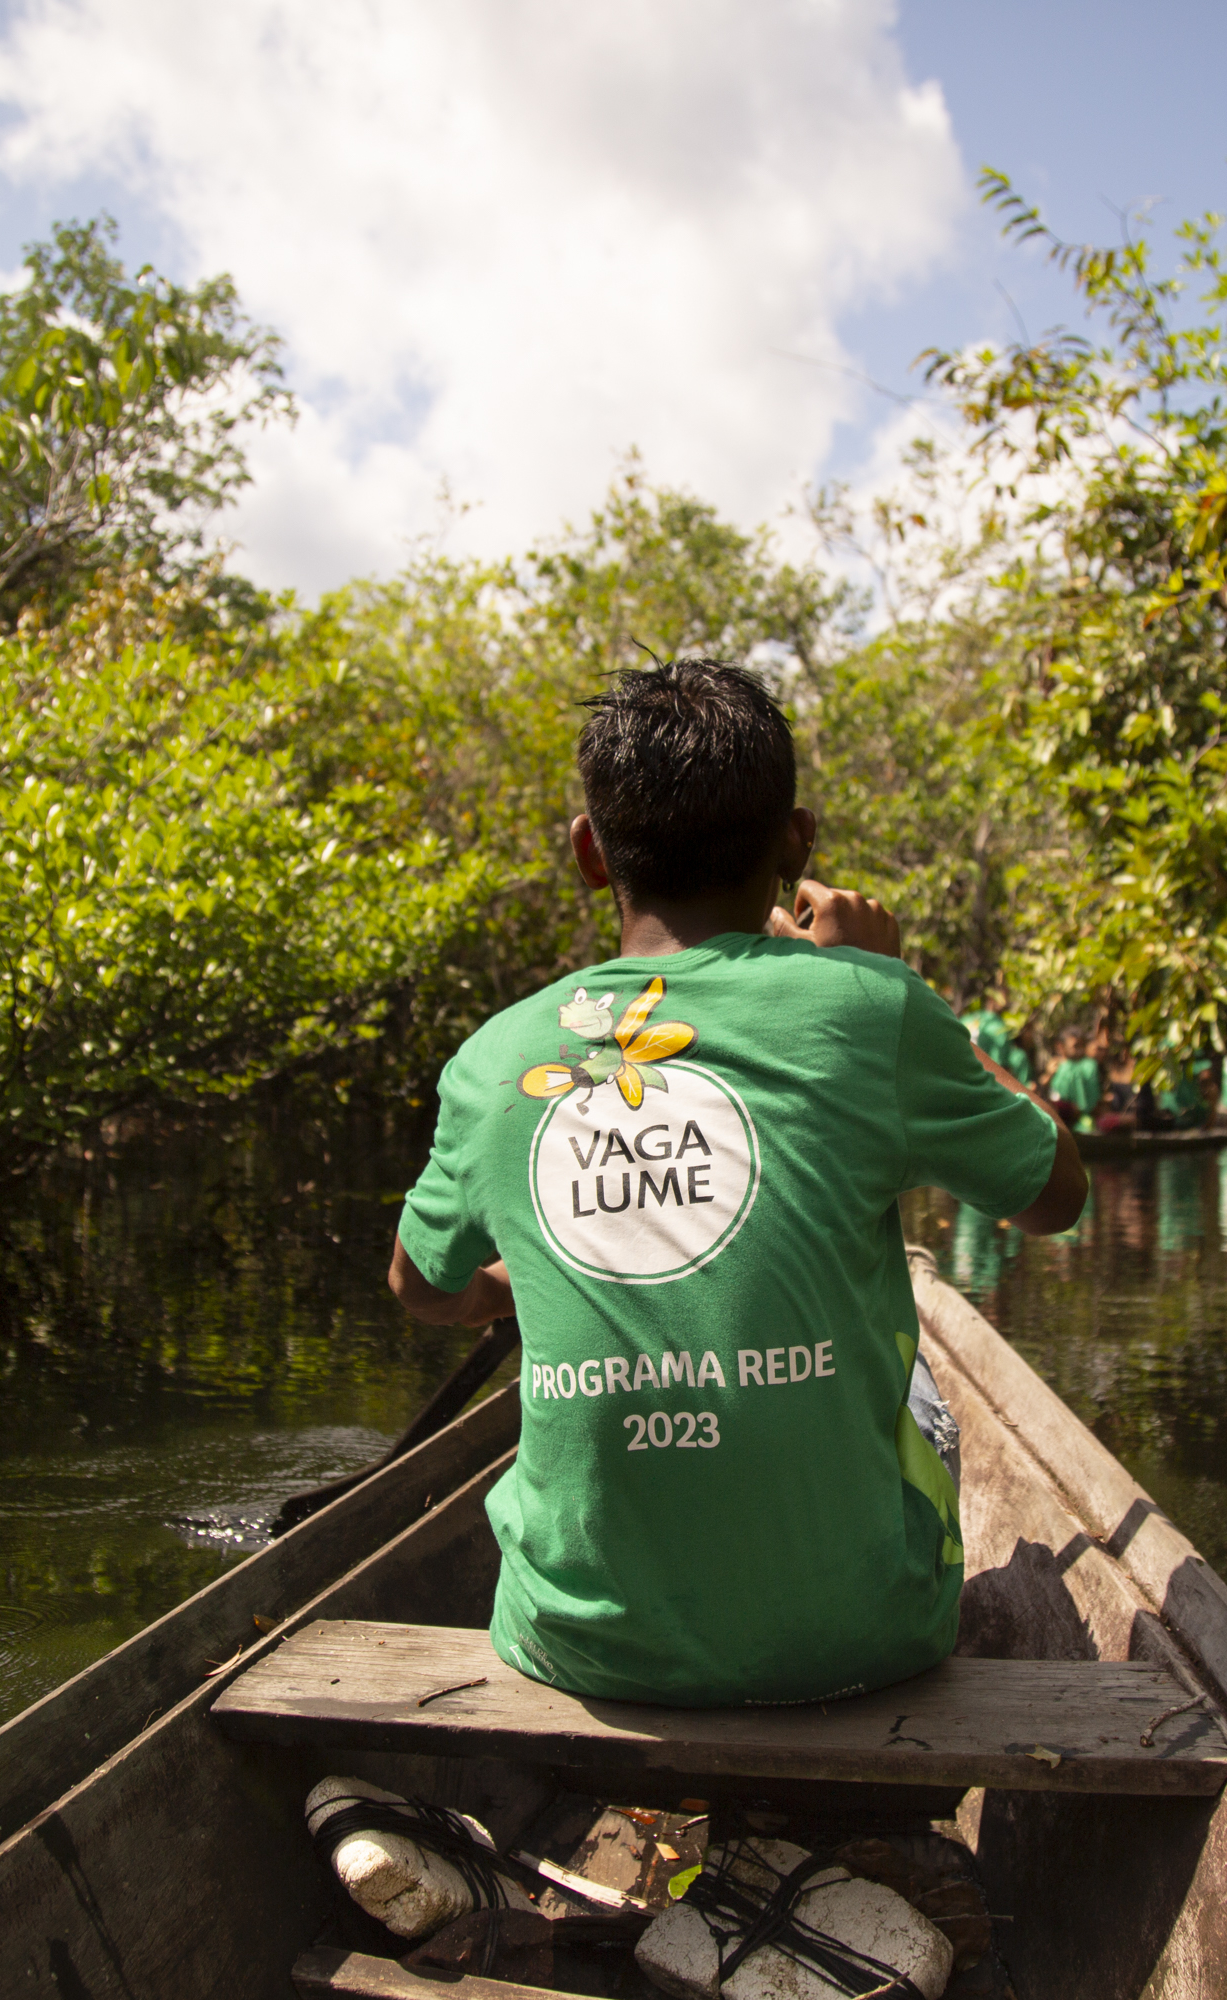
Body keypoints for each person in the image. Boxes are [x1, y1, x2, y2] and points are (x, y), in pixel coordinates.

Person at [387, 660, 1090, 1708]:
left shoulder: (497, 1057)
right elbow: (1056, 1194)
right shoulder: (866, 1008)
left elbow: (418, 1284)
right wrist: (891, 980)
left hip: (580, 1647)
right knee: (924, 1383)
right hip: (860, 1639)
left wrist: (505, 1286)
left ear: (591, 853)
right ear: (797, 843)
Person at [1043, 1028, 1105, 1130]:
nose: (1080, 1050)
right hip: (1056, 1119)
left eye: (1082, 1046)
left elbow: (1092, 1102)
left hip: (1083, 1121)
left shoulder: (1089, 1066)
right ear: (1060, 1047)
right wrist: (1049, 1075)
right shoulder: (1055, 1066)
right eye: (1075, 1046)